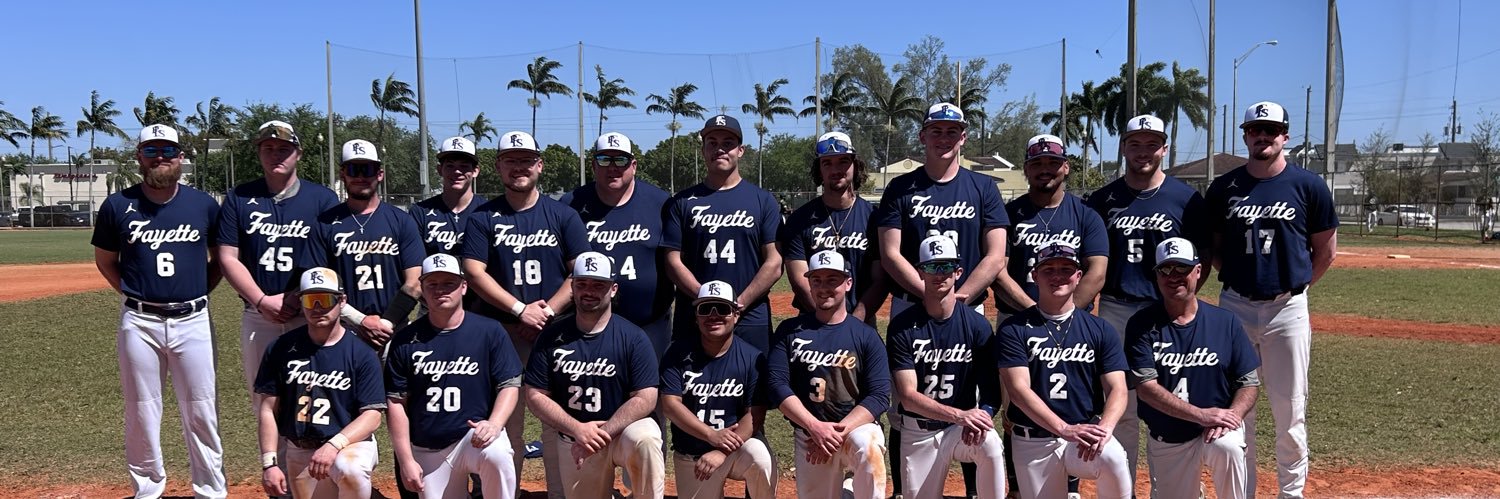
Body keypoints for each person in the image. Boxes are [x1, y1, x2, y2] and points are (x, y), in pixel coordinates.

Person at [874, 103, 1009, 499]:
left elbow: (996, 253)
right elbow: (890, 253)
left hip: (967, 303)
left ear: (963, 137)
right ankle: (905, 489)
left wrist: (958, 295)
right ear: (923, 136)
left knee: (972, 394)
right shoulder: (902, 187)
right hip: (911, 302)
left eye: (953, 131)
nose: (944, 138)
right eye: (937, 130)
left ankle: (973, 488)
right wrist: (929, 292)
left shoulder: (983, 187)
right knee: (906, 402)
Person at [1205, 101, 1339, 498]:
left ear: (1285, 135)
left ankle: (1290, 494)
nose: (1262, 136)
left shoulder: (1308, 185)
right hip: (1235, 306)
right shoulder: (1225, 188)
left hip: (1287, 308)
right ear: (1245, 134)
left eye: (1270, 129)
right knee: (1237, 412)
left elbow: (1326, 251)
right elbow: (1212, 248)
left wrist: (1294, 288)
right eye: (1254, 129)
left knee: (1290, 410)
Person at [92, 124, 227, 498]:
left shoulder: (202, 205)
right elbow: (106, 261)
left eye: (168, 150)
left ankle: (210, 490)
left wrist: (197, 291)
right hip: (139, 321)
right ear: (139, 157)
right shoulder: (118, 205)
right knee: (141, 411)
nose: (161, 157)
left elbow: (220, 261)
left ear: (181, 156)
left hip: (194, 320)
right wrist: (135, 295)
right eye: (151, 150)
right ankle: (148, 490)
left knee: (201, 410)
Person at [461, 130, 591, 492]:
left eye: (525, 160)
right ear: (498, 166)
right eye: (510, 160)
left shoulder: (563, 215)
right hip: (501, 332)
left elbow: (578, 271)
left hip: (555, 330)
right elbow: (473, 272)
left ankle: (562, 493)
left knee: (559, 422)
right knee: (505, 424)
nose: (519, 167)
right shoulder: (482, 217)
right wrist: (521, 310)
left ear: (539, 165)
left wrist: (546, 311)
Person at [1085, 114, 1210, 483]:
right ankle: (1122, 488)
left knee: (1170, 404)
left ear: (1164, 149)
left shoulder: (1186, 199)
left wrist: (1179, 305)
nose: (1144, 151)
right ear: (1123, 147)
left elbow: (1200, 260)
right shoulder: (1102, 199)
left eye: (1152, 144)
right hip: (1115, 309)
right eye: (1135, 143)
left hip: (1165, 313)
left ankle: (1174, 488)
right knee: (1119, 404)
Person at [218, 120, 341, 446]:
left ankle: (316, 482)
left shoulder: (322, 199)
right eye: (268, 148)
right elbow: (228, 257)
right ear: (259, 152)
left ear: (298, 153)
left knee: (315, 395)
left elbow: (330, 259)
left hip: (312, 314)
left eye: (284, 148)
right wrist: (261, 300)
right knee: (266, 397)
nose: (276, 154)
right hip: (260, 315)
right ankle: (277, 477)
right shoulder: (239, 198)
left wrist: (296, 296)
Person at [1125, 238, 1260, 499]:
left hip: (1217, 429)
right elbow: (1146, 389)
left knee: (1228, 447)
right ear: (1156, 275)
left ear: (1198, 271)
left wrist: (1232, 415)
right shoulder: (1141, 325)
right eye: (1165, 270)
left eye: (1182, 269)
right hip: (1169, 434)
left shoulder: (1225, 322)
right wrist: (1201, 415)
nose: (1173, 277)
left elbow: (1249, 382)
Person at [522, 252, 665, 499]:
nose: (589, 291)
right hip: (576, 437)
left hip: (622, 432)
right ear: (573, 287)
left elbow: (646, 398)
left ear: (613, 289)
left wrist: (604, 433)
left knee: (646, 437)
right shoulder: (551, 337)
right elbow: (534, 395)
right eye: (582, 284)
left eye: (599, 285)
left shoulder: (633, 337)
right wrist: (578, 429)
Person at [995, 243, 1131, 499]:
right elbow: (1018, 390)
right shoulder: (1015, 329)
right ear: (1035, 276)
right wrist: (1063, 429)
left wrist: (1105, 429)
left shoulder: (1099, 329)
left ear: (1078, 276)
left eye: (1066, 269)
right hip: (1035, 440)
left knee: (1113, 456)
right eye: (1049, 269)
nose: (1057, 276)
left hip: (1084, 436)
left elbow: (1118, 389)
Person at [386, 254, 523, 499]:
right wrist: (406, 460)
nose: (440, 290)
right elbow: (396, 402)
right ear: (423, 289)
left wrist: (495, 423)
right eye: (432, 284)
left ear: (463, 286)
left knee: (498, 452)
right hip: (428, 447)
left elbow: (509, 383)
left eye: (448, 283)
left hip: (473, 438)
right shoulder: (406, 339)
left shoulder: (488, 331)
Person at [886, 235, 1006, 499]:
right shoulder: (902, 326)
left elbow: (990, 391)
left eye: (945, 267)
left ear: (958, 272)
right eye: (931, 267)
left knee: (991, 444)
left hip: (960, 430)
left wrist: (981, 415)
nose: (938, 274)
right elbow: (907, 397)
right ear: (920, 271)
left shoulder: (977, 325)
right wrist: (959, 415)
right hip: (919, 431)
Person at [769, 250, 891, 499]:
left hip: (855, 427)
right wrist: (815, 428)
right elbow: (776, 384)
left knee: (868, 450)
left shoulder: (865, 335)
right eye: (817, 280)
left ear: (848, 283)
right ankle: (847, 491)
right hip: (809, 433)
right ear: (809, 285)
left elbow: (879, 396)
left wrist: (834, 433)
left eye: (832, 280)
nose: (824, 288)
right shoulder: (790, 331)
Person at [255, 268, 384, 499]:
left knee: (350, 469)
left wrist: (334, 445)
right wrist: (269, 464)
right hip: (300, 449)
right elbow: (267, 409)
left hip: (350, 445)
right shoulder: (280, 348)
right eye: (310, 300)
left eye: (324, 299)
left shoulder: (361, 353)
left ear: (341, 301)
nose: (317, 308)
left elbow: (372, 415)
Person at [662, 115, 783, 354]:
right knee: (690, 385)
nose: (720, 149)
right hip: (696, 315)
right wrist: (708, 301)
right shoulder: (682, 202)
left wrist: (738, 304)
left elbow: (774, 262)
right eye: (712, 142)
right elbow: (672, 261)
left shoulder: (763, 200)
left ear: (740, 150)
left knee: (754, 387)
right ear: (703, 150)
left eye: (728, 143)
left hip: (750, 315)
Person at [303, 139, 425, 353]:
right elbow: (317, 286)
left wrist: (385, 325)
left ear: (380, 174)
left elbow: (415, 282)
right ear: (343, 174)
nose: (360, 177)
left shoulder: (401, 221)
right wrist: (361, 321)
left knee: (395, 387)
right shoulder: (324, 224)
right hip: (342, 330)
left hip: (393, 330)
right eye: (353, 169)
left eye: (367, 169)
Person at [659, 281, 776, 499]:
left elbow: (756, 414)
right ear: (696, 317)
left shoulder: (752, 358)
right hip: (692, 455)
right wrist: (711, 436)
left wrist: (722, 450)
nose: (714, 315)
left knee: (759, 455)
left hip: (734, 450)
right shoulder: (677, 353)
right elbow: (670, 405)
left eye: (722, 309)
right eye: (705, 309)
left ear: (736, 315)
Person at [561, 132, 674, 358]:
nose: (612, 167)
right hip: (587, 324)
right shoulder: (571, 204)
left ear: (633, 165)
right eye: (604, 160)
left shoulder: (661, 203)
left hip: (650, 324)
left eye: (620, 160)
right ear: (593, 165)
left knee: (650, 390)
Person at [993, 133, 1108, 320]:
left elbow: (1097, 273)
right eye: (1037, 163)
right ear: (1026, 169)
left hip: (1072, 319)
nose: (1045, 170)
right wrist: (1035, 311)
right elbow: (997, 271)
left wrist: (1064, 314)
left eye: (1053, 163)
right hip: (1015, 317)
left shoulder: (1086, 214)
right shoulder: (1008, 214)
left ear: (1066, 167)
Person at [778, 131, 886, 322]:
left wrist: (854, 323)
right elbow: (799, 280)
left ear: (855, 165)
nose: (835, 169)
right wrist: (828, 321)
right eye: (827, 163)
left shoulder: (874, 218)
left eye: (843, 161)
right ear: (819, 169)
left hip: (861, 323)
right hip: (812, 322)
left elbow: (879, 279)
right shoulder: (800, 220)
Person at [409, 136, 487, 262]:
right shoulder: (420, 212)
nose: (457, 171)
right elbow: (414, 262)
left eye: (464, 166)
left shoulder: (488, 212)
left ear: (475, 171)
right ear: (440, 170)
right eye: (450, 166)